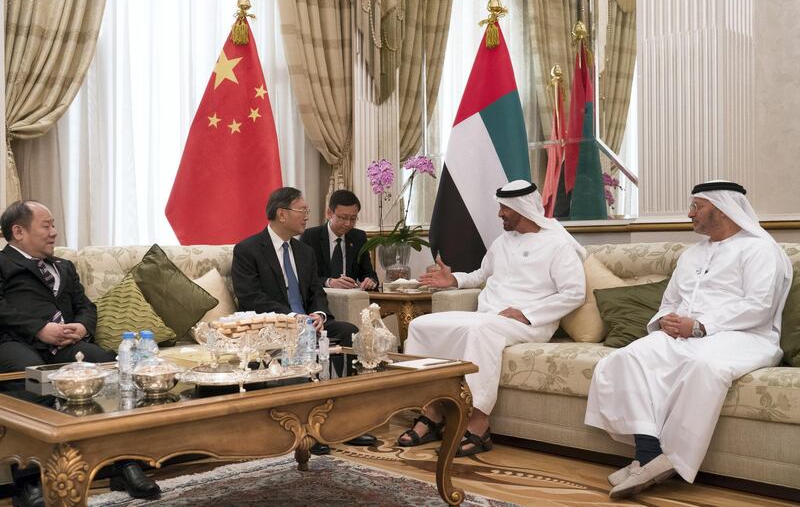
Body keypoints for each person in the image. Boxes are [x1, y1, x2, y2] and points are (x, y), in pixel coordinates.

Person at [584, 180, 793, 499]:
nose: (689, 213)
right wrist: (664, 321)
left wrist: (700, 325)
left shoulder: (761, 249)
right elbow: (670, 301)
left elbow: (759, 306)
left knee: (703, 365)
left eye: (697, 207)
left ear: (721, 210)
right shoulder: (692, 254)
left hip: (746, 335)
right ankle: (648, 452)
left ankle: (671, 459)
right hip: (686, 333)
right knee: (627, 357)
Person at [399, 180, 586, 456]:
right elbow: (480, 276)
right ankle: (432, 410)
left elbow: (574, 293)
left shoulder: (557, 244)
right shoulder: (502, 242)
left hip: (529, 323)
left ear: (521, 208)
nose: (499, 214)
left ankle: (478, 423)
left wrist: (526, 313)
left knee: (480, 332)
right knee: (421, 324)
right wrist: (453, 280)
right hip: (488, 317)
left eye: (504, 208)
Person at [0, 200, 160, 506]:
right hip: (15, 343)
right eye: (46, 226)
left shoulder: (64, 266)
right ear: (19, 231)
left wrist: (81, 327)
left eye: (54, 225)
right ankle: (29, 481)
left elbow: (87, 306)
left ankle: (123, 464)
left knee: (109, 363)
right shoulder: (1, 263)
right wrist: (38, 328)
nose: (54, 233)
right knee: (31, 376)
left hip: (65, 346)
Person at [231, 187, 376, 449]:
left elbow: (315, 291)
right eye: (303, 210)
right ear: (282, 214)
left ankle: (345, 422)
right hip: (275, 326)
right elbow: (251, 297)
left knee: (348, 331)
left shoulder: (304, 251)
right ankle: (307, 429)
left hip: (308, 323)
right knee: (297, 340)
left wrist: (319, 314)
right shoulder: (248, 250)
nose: (307, 217)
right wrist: (293, 317)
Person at [300, 189, 378, 290]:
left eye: (353, 218)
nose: (348, 223)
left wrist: (370, 280)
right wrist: (329, 282)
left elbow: (368, 273)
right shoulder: (310, 236)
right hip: (320, 298)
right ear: (329, 213)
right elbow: (303, 276)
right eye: (343, 218)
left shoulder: (358, 237)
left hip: (350, 299)